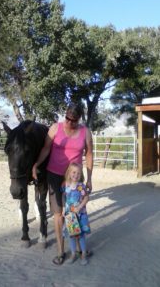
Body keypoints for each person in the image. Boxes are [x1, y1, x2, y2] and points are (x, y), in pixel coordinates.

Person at [32, 102, 93, 265]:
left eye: (73, 120)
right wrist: (37, 164)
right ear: (65, 114)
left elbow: (89, 154)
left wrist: (90, 178)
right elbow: (46, 148)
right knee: (58, 214)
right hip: (54, 175)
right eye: (67, 118)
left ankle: (79, 248)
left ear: (79, 119)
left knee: (75, 213)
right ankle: (60, 251)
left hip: (74, 179)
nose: (69, 122)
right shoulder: (55, 128)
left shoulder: (85, 132)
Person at [62, 162, 90, 265]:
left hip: (80, 215)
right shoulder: (66, 185)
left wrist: (80, 206)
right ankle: (73, 254)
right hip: (70, 216)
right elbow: (64, 197)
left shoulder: (81, 186)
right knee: (72, 235)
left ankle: (83, 254)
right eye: (73, 172)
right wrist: (64, 208)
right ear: (69, 173)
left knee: (81, 235)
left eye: (78, 173)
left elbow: (87, 197)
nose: (76, 175)